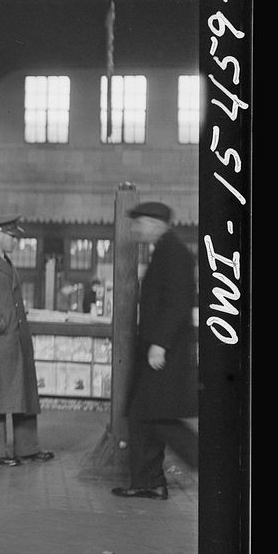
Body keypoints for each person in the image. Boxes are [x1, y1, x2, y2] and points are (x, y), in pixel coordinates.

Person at [112, 201, 198, 501]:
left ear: (155, 223)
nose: (136, 229)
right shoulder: (165, 250)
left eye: (140, 223)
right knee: (142, 416)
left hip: (163, 353)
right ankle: (149, 482)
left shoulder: (174, 253)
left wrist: (160, 343)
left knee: (160, 418)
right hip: (156, 350)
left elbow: (179, 302)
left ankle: (210, 463)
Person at [0, 214, 53, 466]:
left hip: (13, 340)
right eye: (12, 236)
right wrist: (1, 325)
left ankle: (27, 447)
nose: (16, 241)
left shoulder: (4, 262)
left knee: (22, 392)